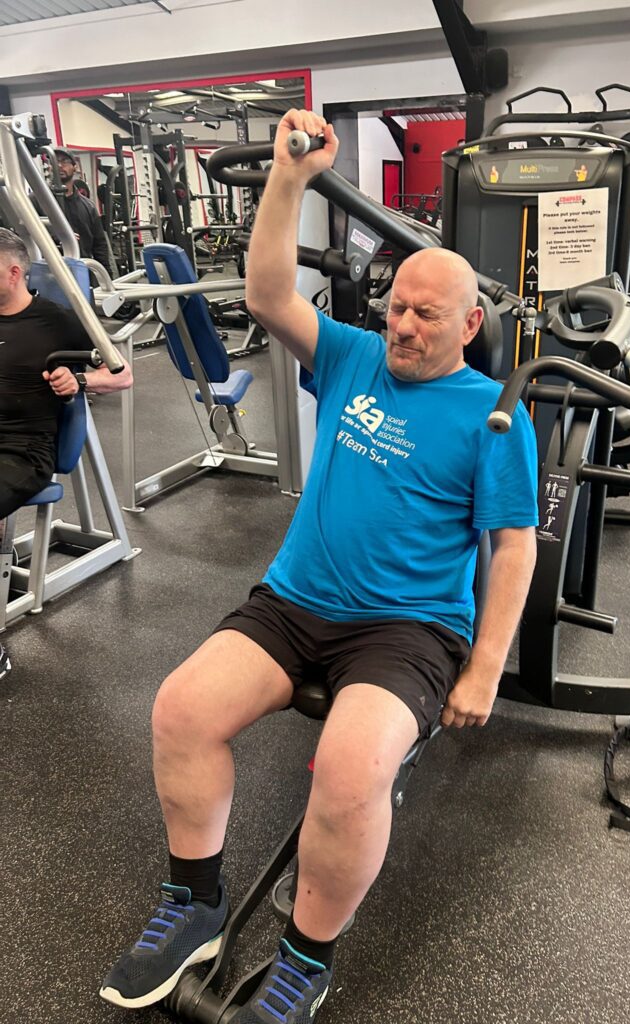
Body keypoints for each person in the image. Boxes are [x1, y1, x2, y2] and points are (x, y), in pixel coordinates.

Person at [100, 109, 539, 1021]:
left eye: (425, 314)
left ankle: (306, 958)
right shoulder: (354, 358)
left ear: (470, 323)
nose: (404, 325)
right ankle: (197, 904)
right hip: (294, 602)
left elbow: (514, 543)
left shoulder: (493, 415)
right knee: (180, 709)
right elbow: (267, 297)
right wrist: (289, 180)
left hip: (408, 629)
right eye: (397, 306)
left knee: (347, 770)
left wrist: (488, 664)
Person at [0, 227, 133, 679]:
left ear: (15, 272)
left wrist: (80, 381)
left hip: (24, 450)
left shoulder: (56, 320)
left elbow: (122, 375)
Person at [52, 148, 113, 273]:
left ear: (75, 167)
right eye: (54, 161)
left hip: (83, 271)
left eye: (64, 161)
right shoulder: (38, 200)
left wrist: (106, 277)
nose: (59, 165)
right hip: (51, 272)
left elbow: (99, 246)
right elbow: (27, 236)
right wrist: (57, 237)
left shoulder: (88, 206)